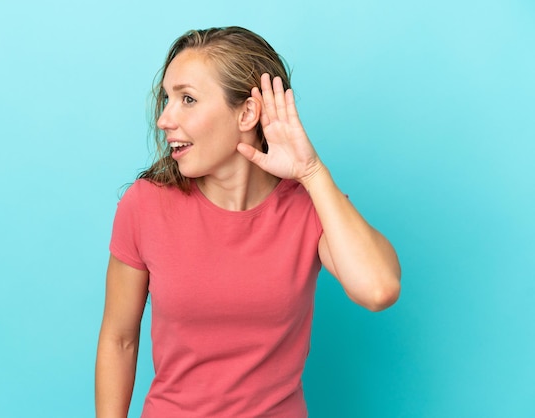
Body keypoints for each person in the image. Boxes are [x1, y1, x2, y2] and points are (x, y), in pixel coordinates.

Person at [95, 26, 401, 418]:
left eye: (187, 99)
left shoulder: (308, 207)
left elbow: (378, 289)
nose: (164, 119)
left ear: (247, 113)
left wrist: (310, 171)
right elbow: (119, 339)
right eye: (166, 99)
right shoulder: (145, 205)